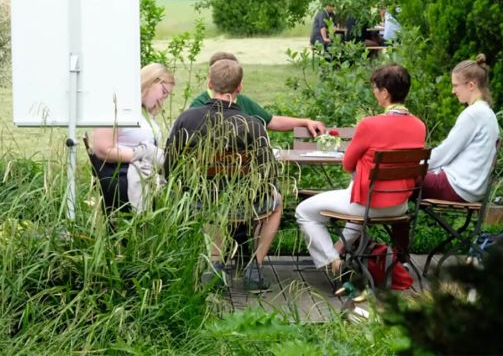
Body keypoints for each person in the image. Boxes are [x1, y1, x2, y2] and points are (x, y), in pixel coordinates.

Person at [295, 64, 426, 275]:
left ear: (385, 92)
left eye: (376, 88)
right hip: (400, 206)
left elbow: (347, 165)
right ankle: (339, 252)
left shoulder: (370, 124)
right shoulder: (419, 125)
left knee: (304, 211)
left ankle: (332, 261)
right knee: (357, 199)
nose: (375, 93)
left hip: (368, 205)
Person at [166, 59, 282, 292]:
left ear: (209, 83)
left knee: (213, 201)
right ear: (240, 88)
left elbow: (170, 167)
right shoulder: (252, 124)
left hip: (198, 203)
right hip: (244, 204)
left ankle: (215, 265)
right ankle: (253, 267)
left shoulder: (186, 119)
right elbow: (267, 173)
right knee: (276, 201)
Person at [91, 63, 175, 212]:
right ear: (151, 81)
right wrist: (141, 153)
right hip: (120, 178)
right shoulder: (119, 105)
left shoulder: (143, 111)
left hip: (141, 177)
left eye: (167, 96)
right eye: (163, 92)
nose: (163, 99)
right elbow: (102, 149)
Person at [188, 52, 326, 136]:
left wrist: (305, 122)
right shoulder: (199, 105)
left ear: (209, 81)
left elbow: (272, 121)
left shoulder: (243, 102)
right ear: (240, 85)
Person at [422, 54, 500, 202]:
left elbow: (445, 153)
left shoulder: (473, 114)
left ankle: (379, 221)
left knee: (398, 177)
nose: (453, 91)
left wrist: (416, 165)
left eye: (455, 85)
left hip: (457, 187)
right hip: (470, 188)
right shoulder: (487, 112)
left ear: (471, 85)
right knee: (400, 177)